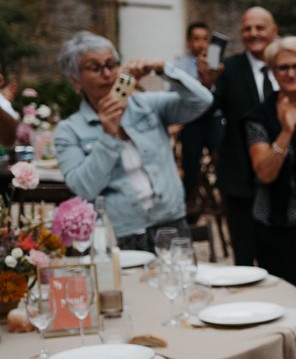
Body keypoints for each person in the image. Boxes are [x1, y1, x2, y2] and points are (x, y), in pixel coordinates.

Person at [53, 31, 212, 249]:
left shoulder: (147, 105)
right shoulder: (69, 130)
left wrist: (162, 68)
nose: (107, 73)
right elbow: (84, 188)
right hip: (121, 233)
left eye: (111, 64)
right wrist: (108, 135)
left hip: (171, 221)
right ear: (75, 80)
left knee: (179, 281)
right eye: (95, 67)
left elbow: (202, 101)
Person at [244, 36, 296, 302]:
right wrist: (286, 131)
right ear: (273, 72)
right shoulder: (259, 116)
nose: (291, 73)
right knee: (289, 300)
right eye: (283, 68)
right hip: (277, 223)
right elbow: (265, 173)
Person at [212, 6, 280, 266]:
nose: (253, 33)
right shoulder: (228, 69)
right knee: (244, 254)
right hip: (240, 178)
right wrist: (206, 82)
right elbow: (208, 106)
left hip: (283, 179)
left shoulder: (287, 68)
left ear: (274, 31)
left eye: (259, 27)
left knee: (280, 255)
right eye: (247, 28)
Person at [175, 21, 223, 215]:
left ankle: (220, 196)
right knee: (190, 164)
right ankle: (188, 203)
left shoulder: (217, 64)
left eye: (205, 39)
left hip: (213, 119)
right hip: (192, 121)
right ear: (188, 42)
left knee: (222, 156)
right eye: (196, 39)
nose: (201, 44)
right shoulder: (180, 66)